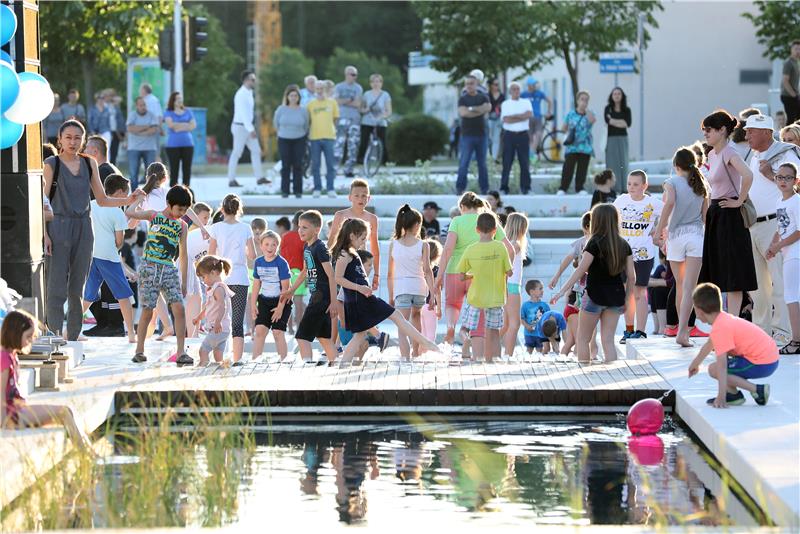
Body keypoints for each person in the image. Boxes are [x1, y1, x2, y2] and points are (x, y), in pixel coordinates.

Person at [44, 120, 141, 339]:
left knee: (79, 285)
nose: (73, 142)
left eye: (77, 138)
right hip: (58, 225)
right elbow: (44, 202)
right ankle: (55, 334)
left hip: (84, 227)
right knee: (57, 285)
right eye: (68, 137)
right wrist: (45, 234)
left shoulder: (90, 164)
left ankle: (74, 335)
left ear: (84, 140)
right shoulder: (51, 163)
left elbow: (103, 199)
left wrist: (128, 199)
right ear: (59, 139)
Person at [333, 218, 438, 363]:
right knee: (396, 316)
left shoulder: (353, 253)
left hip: (363, 298)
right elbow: (338, 278)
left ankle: (343, 364)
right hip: (360, 300)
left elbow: (356, 276)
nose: (363, 242)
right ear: (352, 236)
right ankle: (427, 343)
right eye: (362, 239)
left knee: (360, 335)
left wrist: (365, 286)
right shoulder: (344, 254)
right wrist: (361, 288)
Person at [551, 204, 636, 364]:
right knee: (608, 341)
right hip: (616, 296)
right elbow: (632, 277)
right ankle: (611, 377)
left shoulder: (594, 242)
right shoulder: (624, 244)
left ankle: (584, 374)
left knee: (583, 339)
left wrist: (561, 291)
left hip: (594, 296)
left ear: (596, 220)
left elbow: (581, 270)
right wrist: (627, 299)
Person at [1, 310, 94, 452]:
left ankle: (89, 453)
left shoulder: (11, 355)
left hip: (18, 410)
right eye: (28, 337)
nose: (31, 341)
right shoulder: (4, 358)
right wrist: (5, 423)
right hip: (12, 415)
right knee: (64, 412)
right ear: (15, 335)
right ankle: (88, 455)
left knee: (66, 413)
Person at [435, 192, 513, 360]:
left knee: (452, 305)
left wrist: (439, 276)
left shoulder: (456, 221)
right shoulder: (489, 220)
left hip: (455, 270)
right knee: (481, 319)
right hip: (480, 275)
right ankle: (482, 357)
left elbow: (447, 249)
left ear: (462, 207)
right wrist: (502, 271)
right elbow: (510, 249)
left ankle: (451, 327)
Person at [743, 114, 800, 337]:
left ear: (766, 132)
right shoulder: (752, 155)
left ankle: (783, 330)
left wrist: (772, 174)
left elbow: (796, 178)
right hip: (753, 224)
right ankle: (761, 332)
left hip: (775, 224)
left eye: (751, 131)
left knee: (779, 280)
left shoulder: (785, 152)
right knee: (757, 286)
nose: (746, 135)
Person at [699, 109, 757, 319]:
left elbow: (748, 175)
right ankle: (726, 321)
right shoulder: (712, 153)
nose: (705, 133)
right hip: (716, 213)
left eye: (709, 130)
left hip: (729, 215)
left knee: (733, 275)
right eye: (704, 130)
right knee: (718, 271)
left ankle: (732, 324)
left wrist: (739, 200)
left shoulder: (730, 152)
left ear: (722, 130)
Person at [126, 185, 192, 366]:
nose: (182, 213)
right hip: (149, 267)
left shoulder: (182, 225)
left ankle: (181, 352)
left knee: (179, 308)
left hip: (169, 269)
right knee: (148, 309)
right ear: (169, 204)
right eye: (180, 209)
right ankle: (139, 350)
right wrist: (139, 199)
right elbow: (131, 212)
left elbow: (184, 254)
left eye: (185, 210)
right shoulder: (154, 215)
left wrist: (184, 282)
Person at [653, 147, 709, 347]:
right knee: (689, 288)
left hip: (676, 237)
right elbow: (705, 217)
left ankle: (678, 329)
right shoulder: (702, 183)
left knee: (680, 286)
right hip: (696, 236)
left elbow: (669, 205)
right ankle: (684, 331)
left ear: (676, 165)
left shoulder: (672, 182)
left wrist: (660, 231)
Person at [687, 283, 777, 408]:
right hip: (769, 357)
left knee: (714, 369)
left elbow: (722, 366)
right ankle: (733, 395)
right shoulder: (723, 319)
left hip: (763, 362)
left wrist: (720, 397)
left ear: (699, 311)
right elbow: (708, 346)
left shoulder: (720, 328)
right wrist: (694, 365)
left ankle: (758, 390)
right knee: (719, 366)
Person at [80, 173, 137, 343]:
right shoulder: (117, 212)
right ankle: (132, 334)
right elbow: (119, 242)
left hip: (91, 254)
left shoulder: (91, 205)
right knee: (124, 295)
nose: (127, 198)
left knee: (88, 295)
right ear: (119, 192)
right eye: (126, 194)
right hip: (108, 256)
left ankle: (71, 328)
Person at [282, 210, 339, 364]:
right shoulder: (307, 248)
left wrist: (334, 301)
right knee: (324, 338)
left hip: (322, 297)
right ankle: (338, 366)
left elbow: (331, 276)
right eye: (299, 227)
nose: (300, 230)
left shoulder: (320, 248)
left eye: (305, 227)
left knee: (302, 336)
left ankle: (308, 368)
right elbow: (304, 272)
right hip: (317, 296)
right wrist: (291, 291)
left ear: (316, 230)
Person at [614, 170, 664, 343]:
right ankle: (628, 330)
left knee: (639, 292)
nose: (631, 187)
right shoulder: (621, 201)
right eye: (629, 184)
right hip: (623, 255)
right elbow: (610, 219)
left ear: (645, 186)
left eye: (636, 184)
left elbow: (668, 214)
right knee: (627, 292)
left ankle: (641, 331)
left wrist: (658, 231)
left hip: (643, 255)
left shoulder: (652, 204)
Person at [455, 213, 512, 362]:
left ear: (477, 230)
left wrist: (472, 275)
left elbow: (461, 275)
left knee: (470, 329)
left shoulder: (471, 249)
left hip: (476, 298)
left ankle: (472, 349)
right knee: (494, 332)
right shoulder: (500, 247)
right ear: (495, 230)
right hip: (496, 297)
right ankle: (493, 361)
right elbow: (509, 272)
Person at [207, 194, 257, 365]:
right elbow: (252, 255)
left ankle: (217, 356)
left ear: (222, 209)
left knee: (217, 316)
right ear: (238, 209)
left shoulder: (216, 228)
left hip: (222, 278)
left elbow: (211, 255)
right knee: (237, 320)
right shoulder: (245, 228)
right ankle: (238, 358)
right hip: (240, 277)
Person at [387, 205, 435, 359]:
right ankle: (415, 352)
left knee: (402, 327)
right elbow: (427, 270)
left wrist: (390, 295)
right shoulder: (424, 245)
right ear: (416, 225)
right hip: (419, 287)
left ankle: (405, 357)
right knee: (416, 319)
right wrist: (432, 294)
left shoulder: (394, 245)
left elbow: (390, 274)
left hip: (402, 288)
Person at [767, 162, 800, 354]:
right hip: (787, 252)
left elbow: (798, 231)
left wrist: (779, 245)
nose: (783, 181)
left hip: (795, 253)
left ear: (795, 181)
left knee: (791, 296)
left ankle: (795, 342)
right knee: (792, 296)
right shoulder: (780, 202)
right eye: (779, 177)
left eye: (788, 178)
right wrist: (773, 245)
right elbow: (781, 227)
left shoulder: (796, 201)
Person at [327, 179, 381, 290]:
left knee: (358, 296)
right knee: (340, 296)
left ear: (369, 198)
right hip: (342, 259)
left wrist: (376, 274)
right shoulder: (340, 215)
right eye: (357, 196)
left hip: (360, 261)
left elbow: (375, 248)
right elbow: (331, 242)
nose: (360, 199)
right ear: (350, 197)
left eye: (364, 196)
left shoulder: (372, 218)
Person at [250, 231, 292, 362]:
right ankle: (255, 360)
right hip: (264, 301)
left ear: (277, 246)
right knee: (260, 330)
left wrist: (280, 308)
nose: (270, 247)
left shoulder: (281, 263)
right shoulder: (258, 262)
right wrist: (253, 305)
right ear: (261, 246)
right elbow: (256, 286)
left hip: (281, 301)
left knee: (277, 332)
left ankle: (283, 360)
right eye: (267, 244)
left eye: (274, 245)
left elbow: (286, 288)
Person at [192, 255, 234, 366]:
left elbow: (222, 306)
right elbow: (208, 307)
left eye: (204, 277)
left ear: (214, 273)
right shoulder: (216, 287)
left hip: (218, 328)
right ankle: (222, 370)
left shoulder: (218, 288)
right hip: (223, 329)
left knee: (203, 350)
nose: (203, 281)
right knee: (218, 354)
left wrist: (217, 322)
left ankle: (201, 368)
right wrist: (198, 318)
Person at [228, 70, 268, 188]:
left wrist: (250, 128)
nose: (254, 82)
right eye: (252, 79)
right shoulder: (241, 94)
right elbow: (244, 114)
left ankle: (259, 178)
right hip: (240, 127)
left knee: (256, 151)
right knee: (237, 153)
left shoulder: (249, 92)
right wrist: (251, 129)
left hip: (246, 126)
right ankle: (231, 179)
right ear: (246, 80)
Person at [456, 75, 491, 195]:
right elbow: (463, 113)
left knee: (482, 164)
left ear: (476, 84)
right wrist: (478, 110)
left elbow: (488, 108)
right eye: (467, 83)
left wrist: (470, 109)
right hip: (467, 135)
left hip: (482, 135)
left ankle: (485, 189)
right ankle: (460, 188)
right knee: (464, 163)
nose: (469, 86)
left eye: (472, 83)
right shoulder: (462, 99)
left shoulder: (483, 97)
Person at [274, 84, 309, 198]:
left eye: (295, 95)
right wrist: (283, 133)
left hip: (299, 139)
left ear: (298, 97)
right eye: (291, 95)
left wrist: (299, 133)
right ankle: (285, 191)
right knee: (286, 165)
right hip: (284, 139)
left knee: (298, 165)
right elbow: (276, 124)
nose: (293, 97)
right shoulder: (281, 109)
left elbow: (306, 125)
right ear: (287, 97)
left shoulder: (303, 110)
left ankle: (298, 191)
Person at [501, 213, 529, 357]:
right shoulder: (516, 244)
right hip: (512, 286)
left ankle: (488, 346)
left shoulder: (507, 243)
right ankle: (508, 355)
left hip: (506, 285)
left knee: (505, 325)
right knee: (514, 324)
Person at [559, 91, 596, 195]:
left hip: (585, 146)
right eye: (582, 99)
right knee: (568, 168)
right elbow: (563, 128)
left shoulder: (590, 113)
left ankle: (580, 188)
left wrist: (586, 110)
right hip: (572, 146)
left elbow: (592, 120)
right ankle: (563, 188)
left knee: (582, 168)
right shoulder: (570, 114)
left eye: (586, 100)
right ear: (577, 100)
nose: (584, 102)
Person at [307, 79, 340, 198]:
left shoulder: (332, 103)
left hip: (329, 137)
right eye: (317, 88)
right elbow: (308, 120)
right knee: (315, 164)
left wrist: (331, 129)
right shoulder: (311, 104)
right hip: (315, 138)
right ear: (315, 90)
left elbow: (336, 118)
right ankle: (317, 188)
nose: (320, 91)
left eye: (322, 88)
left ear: (325, 89)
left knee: (330, 164)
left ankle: (330, 188)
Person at [500, 81, 532, 195]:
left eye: (518, 89)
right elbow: (506, 119)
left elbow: (528, 115)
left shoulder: (526, 102)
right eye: (513, 89)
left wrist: (514, 116)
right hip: (509, 135)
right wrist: (520, 116)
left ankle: (526, 188)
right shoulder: (505, 104)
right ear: (510, 91)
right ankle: (504, 187)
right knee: (507, 162)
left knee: (524, 162)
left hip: (523, 135)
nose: (516, 91)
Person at [185, 202, 212, 338]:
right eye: (205, 217)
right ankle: (194, 327)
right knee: (197, 298)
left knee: (201, 298)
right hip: (190, 270)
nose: (207, 221)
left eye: (209, 218)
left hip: (199, 273)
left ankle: (197, 325)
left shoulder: (205, 233)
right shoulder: (192, 232)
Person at [334, 65, 364, 178]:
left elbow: (358, 104)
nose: (354, 77)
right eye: (352, 74)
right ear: (346, 74)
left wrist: (343, 101)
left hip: (354, 120)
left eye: (355, 75)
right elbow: (336, 101)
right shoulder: (339, 87)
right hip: (342, 118)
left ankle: (349, 169)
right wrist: (349, 100)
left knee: (353, 144)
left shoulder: (358, 88)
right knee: (339, 144)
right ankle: (335, 169)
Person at [280, 211, 307, 333]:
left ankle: (289, 327)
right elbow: (305, 257)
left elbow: (280, 255)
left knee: (287, 302)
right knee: (298, 303)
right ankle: (300, 327)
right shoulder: (303, 238)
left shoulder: (285, 236)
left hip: (286, 272)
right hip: (300, 272)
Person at [164, 91, 196, 187]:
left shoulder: (188, 111)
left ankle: (187, 193)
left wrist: (178, 126)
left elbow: (193, 126)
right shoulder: (168, 112)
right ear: (173, 101)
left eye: (180, 98)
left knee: (187, 170)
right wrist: (186, 124)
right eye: (177, 98)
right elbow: (170, 125)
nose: (179, 100)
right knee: (174, 171)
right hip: (173, 146)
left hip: (188, 144)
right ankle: (173, 195)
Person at [126, 96, 159, 189]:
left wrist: (138, 130)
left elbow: (154, 129)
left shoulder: (152, 115)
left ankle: (151, 196)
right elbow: (130, 128)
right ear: (136, 106)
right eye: (140, 105)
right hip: (134, 148)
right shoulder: (132, 115)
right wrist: (147, 126)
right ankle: (134, 197)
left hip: (150, 148)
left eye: (144, 105)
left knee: (152, 174)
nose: (143, 107)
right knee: (133, 174)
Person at [359, 73, 392, 164]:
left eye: (378, 81)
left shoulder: (385, 95)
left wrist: (382, 116)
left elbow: (389, 111)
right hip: (367, 121)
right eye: (373, 81)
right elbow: (361, 109)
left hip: (380, 122)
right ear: (370, 83)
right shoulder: (366, 94)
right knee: (364, 141)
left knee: (383, 142)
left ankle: (385, 161)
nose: (375, 84)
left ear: (381, 83)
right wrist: (366, 110)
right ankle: (361, 159)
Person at [604, 87, 631, 192]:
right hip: (611, 139)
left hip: (623, 138)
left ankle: (625, 188)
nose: (616, 95)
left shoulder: (627, 110)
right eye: (614, 94)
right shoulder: (608, 108)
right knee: (611, 163)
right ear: (611, 96)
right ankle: (613, 188)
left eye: (619, 93)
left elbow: (627, 124)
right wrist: (620, 122)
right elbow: (608, 121)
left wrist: (613, 120)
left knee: (623, 163)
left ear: (622, 96)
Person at [520, 78, 552, 158]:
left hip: (538, 117)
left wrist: (548, 112)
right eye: (533, 84)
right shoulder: (524, 94)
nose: (534, 86)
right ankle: (532, 155)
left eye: (535, 84)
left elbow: (549, 101)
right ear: (529, 85)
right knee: (530, 137)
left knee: (538, 134)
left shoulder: (539, 93)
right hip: (528, 118)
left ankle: (531, 153)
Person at [421, 239, 443, 345]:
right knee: (430, 335)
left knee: (421, 333)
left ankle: (419, 354)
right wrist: (439, 308)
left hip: (418, 303)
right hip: (430, 304)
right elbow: (437, 290)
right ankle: (428, 356)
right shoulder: (435, 270)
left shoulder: (419, 268)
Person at [521, 280, 550, 354]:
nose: (542, 291)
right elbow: (522, 318)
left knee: (539, 352)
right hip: (528, 333)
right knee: (529, 351)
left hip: (540, 334)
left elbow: (549, 319)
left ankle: (540, 364)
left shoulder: (544, 306)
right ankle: (527, 364)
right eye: (540, 289)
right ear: (532, 292)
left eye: (542, 289)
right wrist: (527, 326)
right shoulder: (525, 305)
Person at [647, 251, 669, 335]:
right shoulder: (662, 267)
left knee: (657, 290)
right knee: (654, 290)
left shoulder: (661, 267)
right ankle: (657, 327)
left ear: (662, 259)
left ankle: (661, 327)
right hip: (662, 285)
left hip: (669, 287)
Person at [780, 40, 800, 125]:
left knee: (797, 119)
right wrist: (794, 95)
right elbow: (785, 81)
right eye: (796, 49)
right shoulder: (788, 63)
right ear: (791, 49)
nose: (798, 51)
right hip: (788, 96)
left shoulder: (796, 62)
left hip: (794, 95)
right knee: (791, 119)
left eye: (799, 49)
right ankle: (785, 138)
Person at [103, 89, 125, 165]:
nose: (109, 97)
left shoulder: (114, 106)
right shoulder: (102, 106)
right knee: (106, 153)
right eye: (108, 95)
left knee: (114, 154)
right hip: (106, 132)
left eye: (111, 95)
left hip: (115, 132)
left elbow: (119, 99)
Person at [88, 94, 111, 158]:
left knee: (106, 149)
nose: (101, 100)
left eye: (102, 98)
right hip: (95, 132)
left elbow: (109, 121)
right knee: (95, 149)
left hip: (105, 131)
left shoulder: (107, 109)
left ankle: (106, 164)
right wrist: (92, 131)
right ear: (97, 99)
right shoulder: (92, 109)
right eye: (99, 98)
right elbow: (90, 121)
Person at [487, 78, 505, 161]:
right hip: (489, 119)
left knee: (496, 138)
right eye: (495, 84)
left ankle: (494, 158)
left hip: (498, 119)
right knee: (489, 137)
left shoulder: (502, 96)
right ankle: (487, 156)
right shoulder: (487, 95)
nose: (496, 86)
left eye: (498, 84)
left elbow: (504, 107)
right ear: (491, 85)